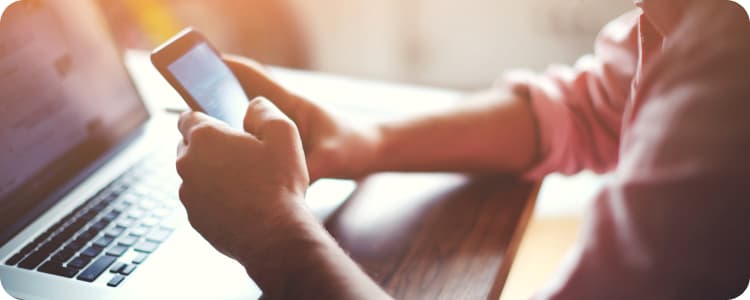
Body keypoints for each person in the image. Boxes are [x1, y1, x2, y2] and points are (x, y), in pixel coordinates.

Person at [174, 0, 750, 299]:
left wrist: (276, 236)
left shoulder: (727, 72)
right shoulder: (690, 19)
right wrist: (361, 142)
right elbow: (593, 106)